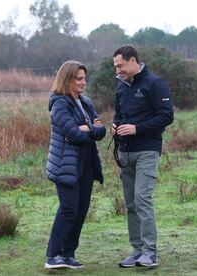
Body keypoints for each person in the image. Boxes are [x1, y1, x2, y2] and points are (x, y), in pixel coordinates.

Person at [111, 45, 174, 268]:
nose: (117, 70)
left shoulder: (155, 84)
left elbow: (167, 116)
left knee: (142, 199)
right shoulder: (120, 88)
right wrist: (115, 126)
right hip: (125, 153)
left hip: (147, 150)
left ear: (133, 61)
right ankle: (137, 251)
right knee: (130, 204)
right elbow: (118, 115)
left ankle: (150, 252)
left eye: (120, 65)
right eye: (115, 67)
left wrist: (137, 128)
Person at [45, 60, 106, 269]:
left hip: (87, 165)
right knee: (68, 209)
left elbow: (101, 130)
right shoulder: (60, 103)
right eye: (79, 79)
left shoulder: (85, 102)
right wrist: (89, 129)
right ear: (67, 79)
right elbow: (72, 133)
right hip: (66, 165)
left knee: (80, 211)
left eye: (84, 78)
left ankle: (69, 254)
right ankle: (53, 255)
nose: (83, 82)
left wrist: (87, 128)